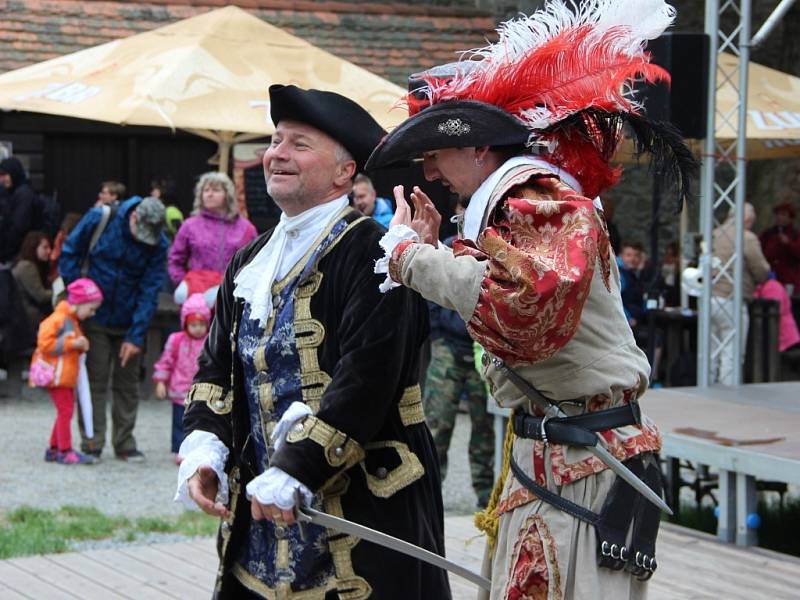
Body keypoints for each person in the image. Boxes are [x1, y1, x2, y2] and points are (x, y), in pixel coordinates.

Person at [366, 1, 696, 597]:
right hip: (558, 451)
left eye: (437, 152)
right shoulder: (513, 206)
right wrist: (436, 251)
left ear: (479, 150)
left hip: (586, 457)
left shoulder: (536, 197)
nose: (431, 170)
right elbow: (509, 286)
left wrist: (412, 259)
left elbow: (526, 309)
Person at [174, 84, 450, 599]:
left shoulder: (375, 252)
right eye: (276, 141)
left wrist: (296, 468)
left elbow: (368, 379)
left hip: (363, 520)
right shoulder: (249, 261)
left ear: (345, 172)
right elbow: (215, 370)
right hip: (262, 529)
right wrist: (206, 450)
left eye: (299, 144)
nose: (277, 153)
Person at [59, 196, 168, 461]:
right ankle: (92, 443)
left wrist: (136, 334)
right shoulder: (101, 219)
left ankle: (124, 443)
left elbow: (150, 289)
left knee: (127, 383)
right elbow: (70, 252)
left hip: (129, 319)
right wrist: (79, 294)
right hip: (93, 317)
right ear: (133, 217)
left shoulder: (158, 244)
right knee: (93, 379)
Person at [32, 278, 103, 465]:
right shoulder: (59, 319)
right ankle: (65, 450)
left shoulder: (70, 320)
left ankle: (54, 448)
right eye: (91, 308)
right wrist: (73, 344)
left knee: (64, 411)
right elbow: (44, 344)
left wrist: (80, 345)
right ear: (80, 303)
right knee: (65, 412)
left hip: (65, 376)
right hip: (57, 376)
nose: (92, 313)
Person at [711, 202, 770, 384]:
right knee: (732, 350)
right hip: (732, 298)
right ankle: (727, 392)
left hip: (710, 297)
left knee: (710, 348)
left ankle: (707, 387)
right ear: (747, 219)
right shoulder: (747, 238)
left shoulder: (714, 234)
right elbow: (760, 269)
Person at [167, 172, 257, 287]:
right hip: (197, 297)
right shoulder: (190, 225)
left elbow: (255, 264)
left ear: (227, 195)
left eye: (215, 190)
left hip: (232, 297)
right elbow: (175, 260)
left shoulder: (246, 228)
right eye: (206, 190)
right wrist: (185, 285)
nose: (209, 194)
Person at [152, 293, 211, 463]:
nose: (198, 328)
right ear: (185, 323)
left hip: (201, 391)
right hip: (180, 390)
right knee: (180, 422)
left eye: (201, 324)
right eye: (193, 324)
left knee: (201, 421)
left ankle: (199, 449)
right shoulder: (176, 340)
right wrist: (161, 381)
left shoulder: (209, 341)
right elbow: (166, 361)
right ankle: (180, 450)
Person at [12, 231, 53, 330]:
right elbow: (41, 296)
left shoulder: (26, 264)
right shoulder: (27, 267)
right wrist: (59, 291)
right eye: (45, 247)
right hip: (29, 317)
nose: (49, 251)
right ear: (33, 247)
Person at [759, 201, 800, 295]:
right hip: (771, 277)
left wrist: (789, 244)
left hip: (789, 280)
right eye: (778, 214)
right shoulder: (768, 234)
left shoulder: (795, 235)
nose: (780, 217)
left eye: (783, 215)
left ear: (790, 218)